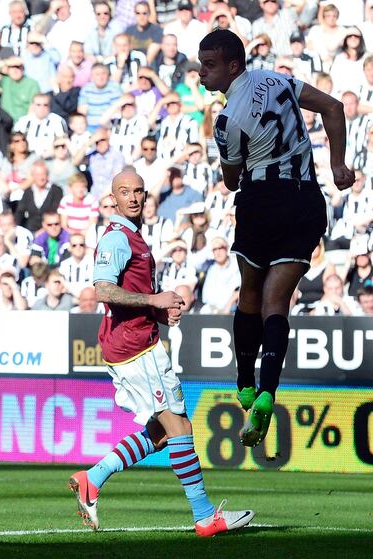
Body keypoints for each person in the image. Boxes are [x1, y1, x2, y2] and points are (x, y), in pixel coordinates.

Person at [68, 170, 253, 537]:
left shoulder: (134, 237)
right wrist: (154, 300)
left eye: (138, 191)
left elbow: (126, 293)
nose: (133, 197)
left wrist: (157, 312)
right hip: (135, 348)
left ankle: (93, 478)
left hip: (138, 341)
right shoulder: (118, 238)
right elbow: (102, 290)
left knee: (163, 432)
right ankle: (204, 517)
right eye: (125, 192)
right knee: (179, 426)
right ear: (113, 198)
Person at [198, 29, 355, 448]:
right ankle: (269, 389)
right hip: (305, 201)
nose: (200, 74)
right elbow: (333, 107)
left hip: (261, 202)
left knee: (250, 295)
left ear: (233, 65)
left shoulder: (227, 119)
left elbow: (231, 182)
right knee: (277, 302)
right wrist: (338, 165)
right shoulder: (279, 79)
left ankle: (245, 382)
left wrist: (237, 164)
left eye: (209, 65)